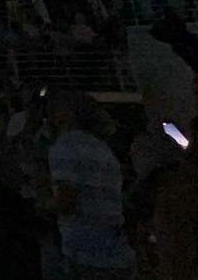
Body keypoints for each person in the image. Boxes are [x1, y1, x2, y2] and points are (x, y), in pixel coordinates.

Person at [44, 90, 135, 278]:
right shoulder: (102, 148)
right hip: (116, 251)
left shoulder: (66, 145)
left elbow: (66, 200)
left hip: (85, 253)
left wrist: (41, 206)